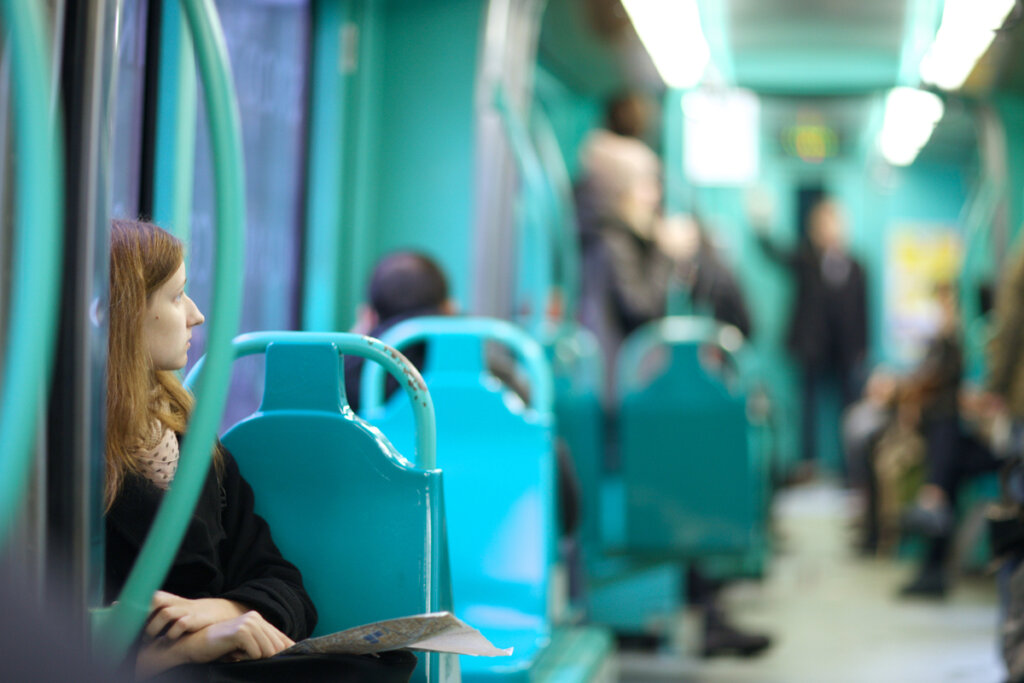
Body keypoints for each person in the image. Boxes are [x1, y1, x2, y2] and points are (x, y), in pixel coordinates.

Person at [104, 220, 417, 682]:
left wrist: (223, 609)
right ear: (126, 311)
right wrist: (176, 650)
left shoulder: (193, 446)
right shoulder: (69, 462)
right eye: (175, 297)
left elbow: (285, 585)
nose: (195, 315)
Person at [897, 283, 1000, 597]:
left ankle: (932, 502)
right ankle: (932, 570)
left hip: (1000, 445)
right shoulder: (948, 345)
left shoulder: (980, 342)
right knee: (948, 455)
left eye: (948, 307)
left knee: (946, 436)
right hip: (974, 438)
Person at [756, 197, 868, 477]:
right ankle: (808, 465)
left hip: (846, 351)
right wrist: (760, 224)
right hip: (812, 348)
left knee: (850, 409)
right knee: (807, 409)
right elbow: (775, 253)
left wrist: (862, 350)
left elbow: (863, 310)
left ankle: (852, 470)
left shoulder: (857, 266)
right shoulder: (806, 259)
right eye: (823, 224)